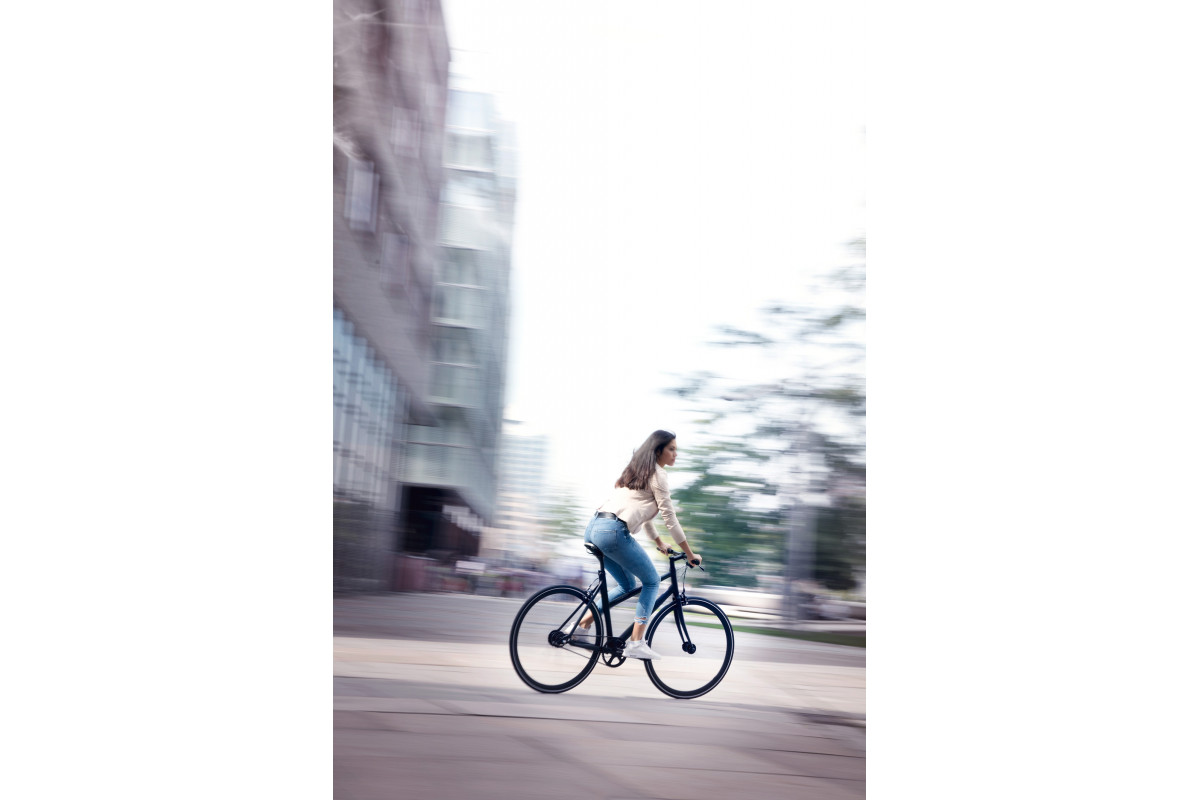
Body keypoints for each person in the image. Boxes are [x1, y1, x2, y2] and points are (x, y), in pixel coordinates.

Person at [576, 430, 701, 660]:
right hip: (613, 532)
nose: (676, 454)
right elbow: (669, 517)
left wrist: (659, 542)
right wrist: (689, 553)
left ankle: (581, 626)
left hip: (594, 528)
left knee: (627, 585)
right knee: (652, 581)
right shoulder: (658, 475)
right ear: (658, 450)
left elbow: (644, 516)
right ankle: (636, 643)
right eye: (671, 449)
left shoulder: (637, 471)